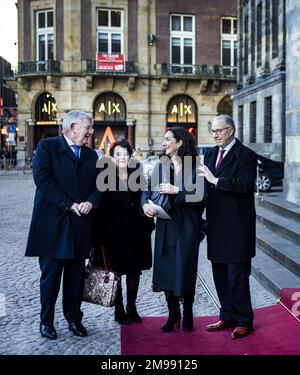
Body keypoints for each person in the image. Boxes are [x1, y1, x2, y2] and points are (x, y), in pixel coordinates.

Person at [25, 110, 102, 340]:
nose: (91, 132)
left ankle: (74, 319)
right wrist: (69, 204)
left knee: (75, 277)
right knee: (50, 278)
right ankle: (46, 322)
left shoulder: (92, 155)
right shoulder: (47, 147)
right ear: (73, 127)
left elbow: (100, 185)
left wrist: (91, 202)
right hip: (52, 226)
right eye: (88, 127)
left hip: (80, 226)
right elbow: (43, 180)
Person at [142, 127, 206, 332]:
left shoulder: (196, 166)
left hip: (187, 225)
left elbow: (202, 196)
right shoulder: (161, 166)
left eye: (168, 139)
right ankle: (173, 314)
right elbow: (147, 191)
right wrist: (145, 206)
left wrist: (177, 190)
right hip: (165, 224)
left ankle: (187, 313)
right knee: (165, 270)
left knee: (185, 269)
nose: (164, 143)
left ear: (179, 143)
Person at [198, 114, 257, 339]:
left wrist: (216, 181)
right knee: (220, 275)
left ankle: (244, 320)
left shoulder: (247, 156)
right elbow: (203, 187)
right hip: (216, 225)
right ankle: (227, 315)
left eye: (218, 131)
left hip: (238, 227)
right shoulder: (210, 154)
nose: (214, 134)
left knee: (237, 279)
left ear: (230, 131)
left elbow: (244, 185)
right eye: (212, 131)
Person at [93, 139, 155, 324]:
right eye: (118, 154)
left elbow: (145, 196)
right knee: (117, 271)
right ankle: (119, 308)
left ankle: (132, 307)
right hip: (113, 233)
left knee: (135, 271)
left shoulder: (137, 173)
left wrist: (148, 223)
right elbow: (99, 206)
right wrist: (98, 237)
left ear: (131, 155)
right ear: (112, 156)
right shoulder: (104, 175)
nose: (122, 157)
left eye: (125, 154)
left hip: (137, 231)